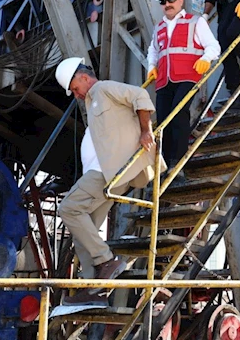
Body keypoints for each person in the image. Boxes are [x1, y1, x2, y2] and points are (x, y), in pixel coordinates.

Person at [54, 57, 157, 307]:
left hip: (106, 173)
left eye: (75, 89)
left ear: (84, 78)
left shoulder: (102, 89)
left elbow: (140, 95)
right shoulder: (92, 102)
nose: (76, 95)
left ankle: (106, 260)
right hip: (104, 176)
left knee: (67, 208)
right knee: (83, 229)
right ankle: (94, 291)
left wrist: (146, 130)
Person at [146, 0, 220, 169]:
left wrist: (206, 58)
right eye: (163, 2)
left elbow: (214, 46)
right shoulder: (159, 27)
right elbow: (153, 50)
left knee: (178, 114)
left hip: (188, 77)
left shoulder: (196, 22)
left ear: (180, 0)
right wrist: (151, 65)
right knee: (163, 121)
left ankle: (178, 163)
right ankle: (164, 164)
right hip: (164, 80)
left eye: (171, 0)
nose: (167, 5)